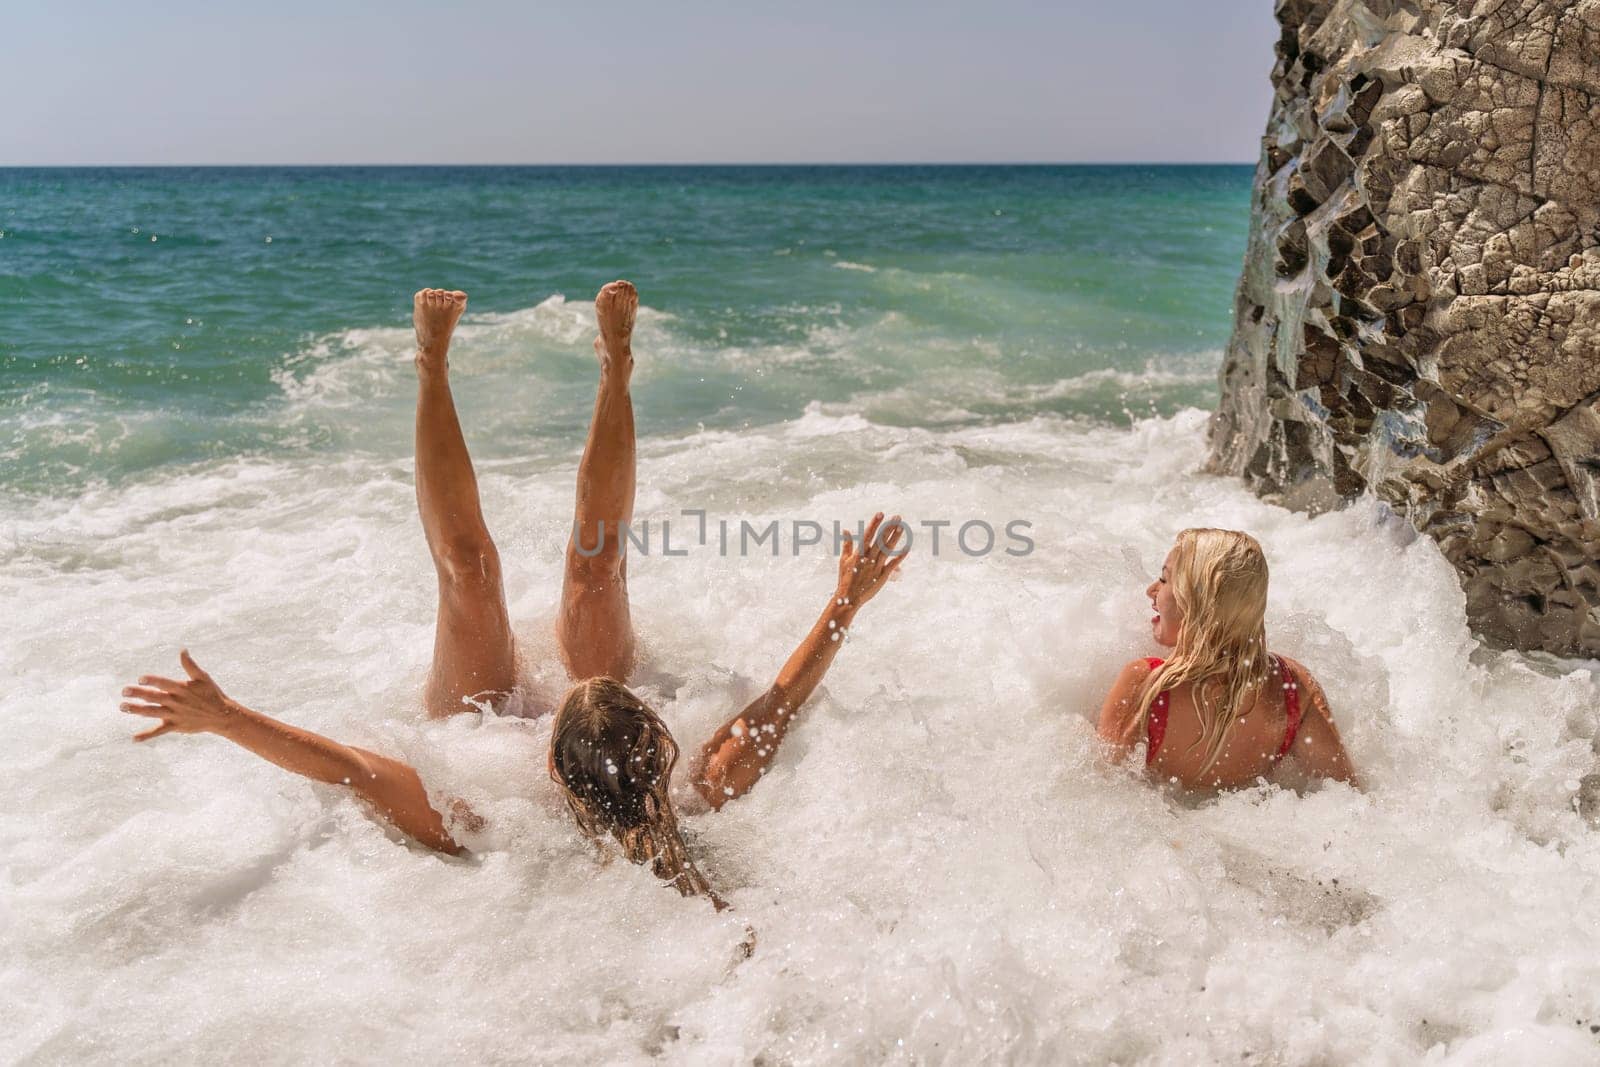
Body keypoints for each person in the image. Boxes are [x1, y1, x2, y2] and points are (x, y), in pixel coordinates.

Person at [119, 282, 908, 907]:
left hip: (478, 715)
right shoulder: (699, 788)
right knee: (594, 571)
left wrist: (226, 718)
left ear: (555, 768)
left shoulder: (496, 820)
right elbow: (781, 701)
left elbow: (348, 769)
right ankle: (616, 373)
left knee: (471, 574)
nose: (567, 680)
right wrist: (845, 602)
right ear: (658, 742)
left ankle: (430, 371)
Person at [1096, 527, 1357, 791]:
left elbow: (1103, 791)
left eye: (1164, 580)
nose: (1151, 590)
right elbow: (1346, 796)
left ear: (1196, 601)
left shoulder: (1146, 683)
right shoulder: (1293, 688)